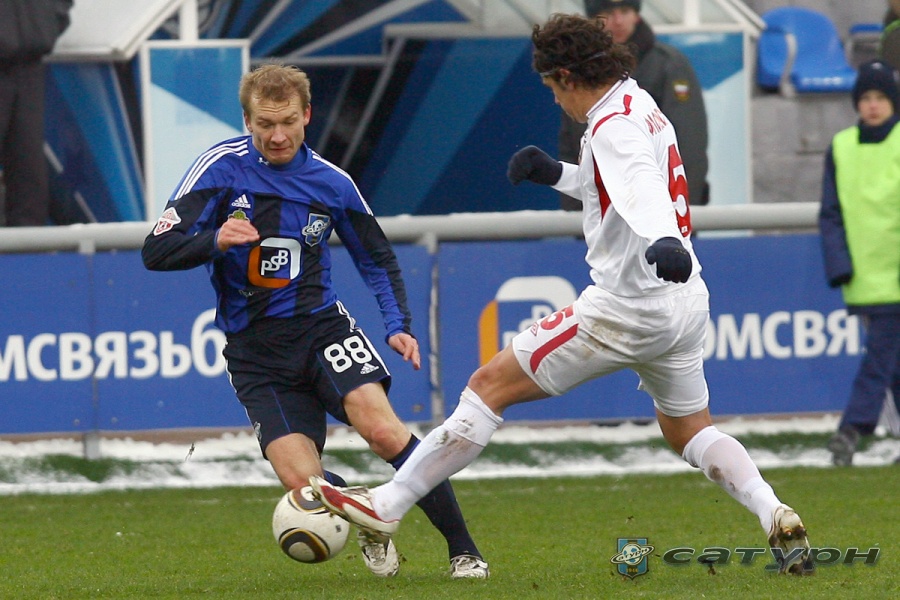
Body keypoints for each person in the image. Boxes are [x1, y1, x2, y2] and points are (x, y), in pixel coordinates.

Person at [310, 13, 812, 576]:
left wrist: (665, 238)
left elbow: (643, 187)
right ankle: (773, 510)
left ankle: (387, 505)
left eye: (551, 86)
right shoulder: (636, 102)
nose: (554, 98)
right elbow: (615, 184)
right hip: (685, 301)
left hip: (627, 308)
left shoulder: (612, 126)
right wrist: (556, 174)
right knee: (690, 430)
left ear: (568, 76)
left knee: (487, 386)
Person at [141, 64, 488, 579]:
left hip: (322, 329)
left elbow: (376, 258)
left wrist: (397, 324)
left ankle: (464, 551)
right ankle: (369, 515)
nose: (277, 135)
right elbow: (156, 250)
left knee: (384, 432)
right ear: (247, 121)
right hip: (255, 352)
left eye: (287, 122)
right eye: (264, 124)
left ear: (307, 115)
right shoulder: (219, 169)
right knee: (303, 485)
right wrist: (214, 240)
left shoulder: (332, 182)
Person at [819, 59, 900, 466]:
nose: (872, 104)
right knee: (893, 364)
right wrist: (840, 265)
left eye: (880, 96)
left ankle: (852, 428)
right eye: (865, 97)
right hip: (865, 277)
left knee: (879, 359)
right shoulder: (842, 147)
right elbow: (831, 213)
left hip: (894, 274)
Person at [558, 0, 708, 211]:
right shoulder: (580, 71)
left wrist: (680, 208)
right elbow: (572, 144)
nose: (618, 21)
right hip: (597, 211)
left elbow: (688, 143)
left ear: (637, 15)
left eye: (625, 11)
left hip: (658, 211)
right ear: (592, 20)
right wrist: (578, 210)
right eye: (608, 12)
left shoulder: (668, 65)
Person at [0, 0, 72, 226]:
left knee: (29, 173)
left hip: (29, 64)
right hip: (22, 58)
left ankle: (28, 246)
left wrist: (48, 24)